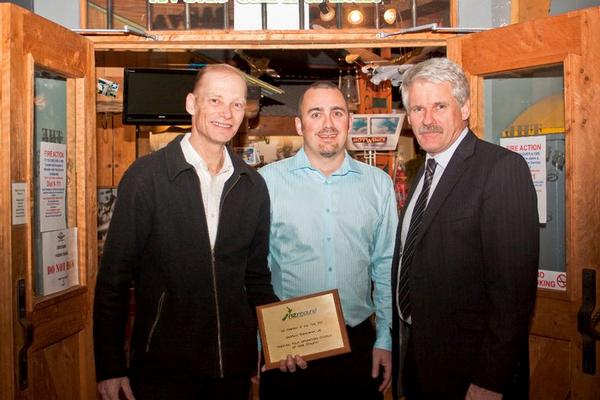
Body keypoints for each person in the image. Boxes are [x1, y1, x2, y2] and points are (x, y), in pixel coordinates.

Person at [93, 64, 278, 400]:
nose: (227, 113)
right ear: (192, 104)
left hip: (231, 371)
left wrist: (282, 342)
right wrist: (110, 365)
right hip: (163, 370)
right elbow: (113, 279)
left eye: (237, 104)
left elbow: (256, 279)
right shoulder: (146, 177)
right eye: (216, 101)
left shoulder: (253, 184)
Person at [391, 57, 539, 399]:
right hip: (420, 361)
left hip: (472, 373)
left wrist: (491, 379)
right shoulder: (424, 172)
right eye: (417, 109)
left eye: (440, 106)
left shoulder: (501, 170)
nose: (427, 120)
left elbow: (513, 294)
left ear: (466, 107)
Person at [258, 81, 398, 399]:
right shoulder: (267, 182)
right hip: (289, 347)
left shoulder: (378, 185)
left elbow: (386, 266)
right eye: (316, 113)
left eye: (337, 113)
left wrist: (385, 341)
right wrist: (263, 344)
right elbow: (256, 270)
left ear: (349, 121)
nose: (328, 124)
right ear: (299, 124)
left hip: (359, 346)